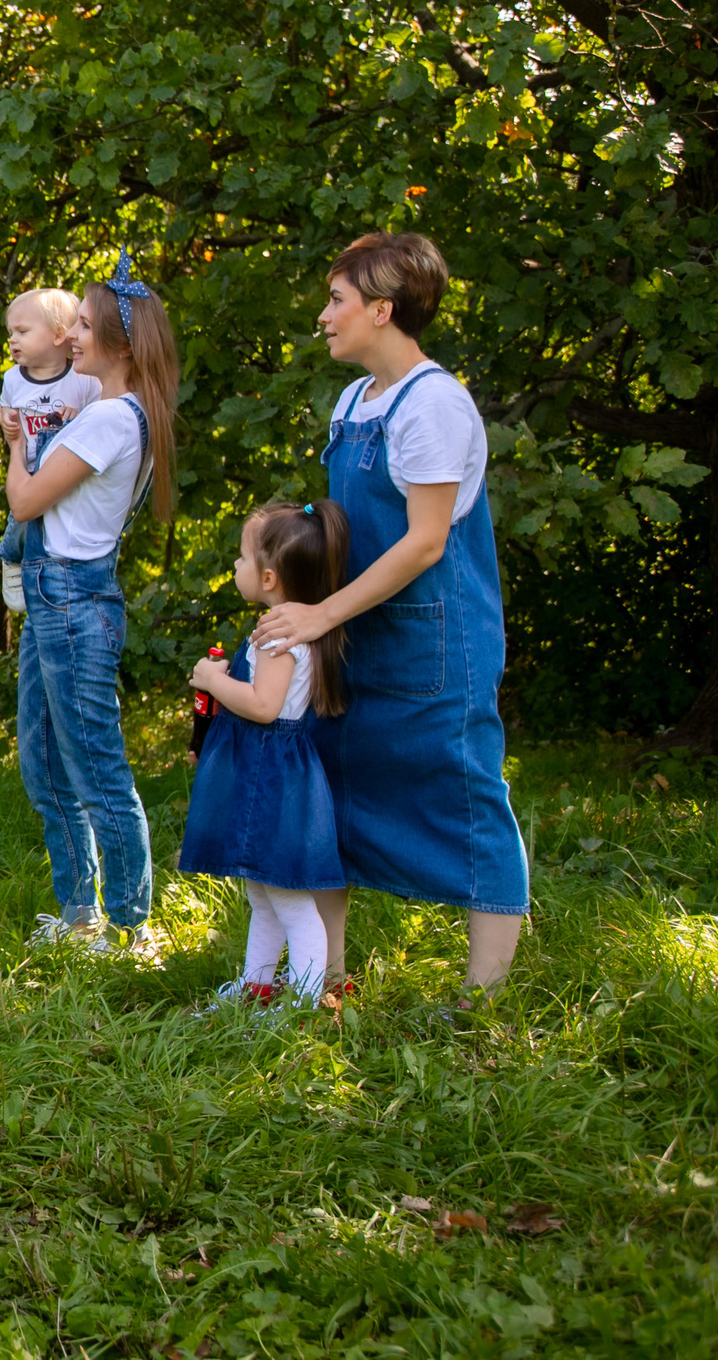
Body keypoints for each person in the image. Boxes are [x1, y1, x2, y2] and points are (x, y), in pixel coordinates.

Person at [255, 232, 526, 993]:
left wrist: (317, 617)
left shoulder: (433, 402)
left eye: (337, 300)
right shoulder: (353, 401)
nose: (324, 315)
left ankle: (484, 994)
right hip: (356, 634)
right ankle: (328, 974)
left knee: (463, 793)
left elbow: (425, 544)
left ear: (381, 309)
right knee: (333, 792)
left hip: (435, 639)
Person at [0, 254, 177, 956]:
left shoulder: (111, 420)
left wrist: (17, 444)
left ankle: (132, 925)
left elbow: (26, 499)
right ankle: (78, 911)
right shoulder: (104, 410)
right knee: (43, 760)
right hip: (54, 593)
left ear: (123, 345)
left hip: (72, 596)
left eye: (87, 327)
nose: (73, 336)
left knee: (96, 764)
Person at [181, 501, 351, 1005]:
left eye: (242, 559)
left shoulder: (277, 639)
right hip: (264, 769)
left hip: (272, 777)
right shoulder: (281, 630)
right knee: (262, 891)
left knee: (290, 898)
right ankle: (257, 986)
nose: (235, 568)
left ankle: (301, 1003)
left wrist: (213, 679)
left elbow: (263, 706)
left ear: (270, 577)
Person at [0, 287, 99, 614]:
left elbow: (99, 416)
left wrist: (77, 417)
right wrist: (6, 421)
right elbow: (4, 410)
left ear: (57, 336)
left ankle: (45, 573)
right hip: (27, 471)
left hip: (65, 473)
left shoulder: (82, 379)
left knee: (53, 527)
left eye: (22, 332)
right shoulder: (13, 379)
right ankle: (11, 557)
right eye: (11, 332)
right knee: (21, 518)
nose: (13, 340)